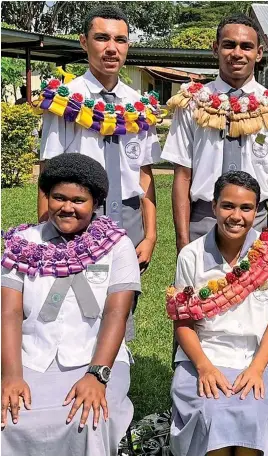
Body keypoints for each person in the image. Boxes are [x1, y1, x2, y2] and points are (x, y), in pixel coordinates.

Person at [1, 154, 140, 456]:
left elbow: (117, 313)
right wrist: (11, 375)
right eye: (58, 197)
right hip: (31, 358)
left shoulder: (117, 246)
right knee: (8, 418)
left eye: (79, 200)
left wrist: (96, 375)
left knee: (88, 419)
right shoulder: (23, 243)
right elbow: (9, 312)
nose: (67, 207)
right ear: (47, 197)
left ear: (96, 202)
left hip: (95, 357)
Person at [166, 171, 268, 456]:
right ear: (213, 206)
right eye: (227, 206)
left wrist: (256, 369)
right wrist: (204, 367)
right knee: (211, 415)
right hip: (203, 355)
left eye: (246, 208)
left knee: (252, 414)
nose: (236, 216)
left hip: (257, 358)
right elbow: (184, 323)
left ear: (257, 211)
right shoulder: (191, 255)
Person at [162, 14, 268, 253]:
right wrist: (183, 241)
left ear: (258, 53)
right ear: (216, 48)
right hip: (203, 219)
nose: (237, 53)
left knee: (256, 291)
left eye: (246, 46)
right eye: (229, 45)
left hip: (255, 221)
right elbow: (183, 175)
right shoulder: (193, 103)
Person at [38, 4, 161, 272]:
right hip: (78, 214)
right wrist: (47, 232)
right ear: (84, 42)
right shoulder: (65, 102)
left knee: (125, 304)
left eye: (120, 40)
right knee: (79, 304)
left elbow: (144, 173)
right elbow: (48, 173)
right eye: (102, 38)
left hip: (129, 218)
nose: (111, 48)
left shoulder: (139, 106)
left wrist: (150, 235)